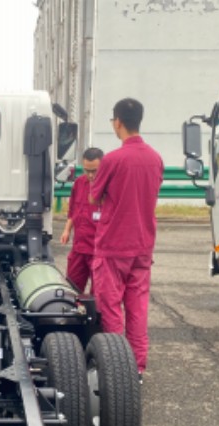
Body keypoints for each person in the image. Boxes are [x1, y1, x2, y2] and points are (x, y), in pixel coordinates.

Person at [89, 98, 164, 381]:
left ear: (118, 122)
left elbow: (94, 197)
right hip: (143, 243)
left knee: (110, 308)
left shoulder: (112, 159)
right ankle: (137, 368)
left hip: (113, 244)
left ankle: (115, 369)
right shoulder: (155, 158)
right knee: (137, 308)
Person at [60, 148, 104, 295]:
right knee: (72, 288)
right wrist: (67, 230)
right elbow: (73, 210)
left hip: (98, 251)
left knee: (98, 293)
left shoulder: (109, 186)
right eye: (87, 170)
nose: (90, 175)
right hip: (79, 247)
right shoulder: (79, 183)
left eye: (94, 171)